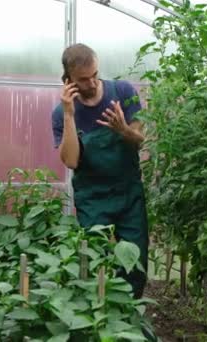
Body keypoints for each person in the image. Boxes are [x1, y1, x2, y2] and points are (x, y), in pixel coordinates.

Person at [51, 43, 149, 299]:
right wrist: (70, 116)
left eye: (95, 75)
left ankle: (130, 317)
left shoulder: (123, 92)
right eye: (83, 79)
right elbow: (71, 161)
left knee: (135, 262)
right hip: (93, 200)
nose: (92, 83)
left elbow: (140, 140)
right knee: (95, 260)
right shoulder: (60, 114)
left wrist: (123, 130)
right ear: (68, 80)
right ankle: (99, 319)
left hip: (129, 195)